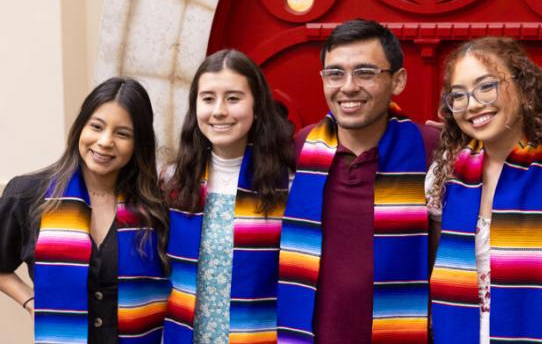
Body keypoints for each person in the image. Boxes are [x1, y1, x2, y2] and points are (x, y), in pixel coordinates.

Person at [276, 19, 439, 343]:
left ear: (399, 80)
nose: (348, 87)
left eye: (365, 73)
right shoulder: (301, 149)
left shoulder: (429, 150)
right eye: (335, 74)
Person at [426, 37, 542, 344]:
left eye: (486, 86)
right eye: (459, 95)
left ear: (522, 87)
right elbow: (435, 265)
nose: (472, 104)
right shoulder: (444, 174)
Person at [0, 77, 170, 343]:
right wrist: (30, 300)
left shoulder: (156, 208)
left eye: (122, 133)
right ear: (81, 127)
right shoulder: (29, 194)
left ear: (139, 144)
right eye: (97, 126)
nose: (104, 141)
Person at [161, 49, 293, 343]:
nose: (219, 110)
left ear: (257, 106)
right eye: (208, 99)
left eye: (233, 98)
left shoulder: (289, 185)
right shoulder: (173, 180)